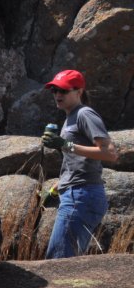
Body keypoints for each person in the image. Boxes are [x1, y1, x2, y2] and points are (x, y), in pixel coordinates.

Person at [42, 69, 118, 258]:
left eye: (63, 91)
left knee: (58, 260)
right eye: (54, 91)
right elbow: (80, 162)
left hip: (81, 195)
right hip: (76, 192)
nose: (58, 95)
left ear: (79, 92)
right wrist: (58, 185)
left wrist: (65, 145)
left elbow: (110, 153)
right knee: (63, 257)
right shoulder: (71, 117)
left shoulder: (85, 114)